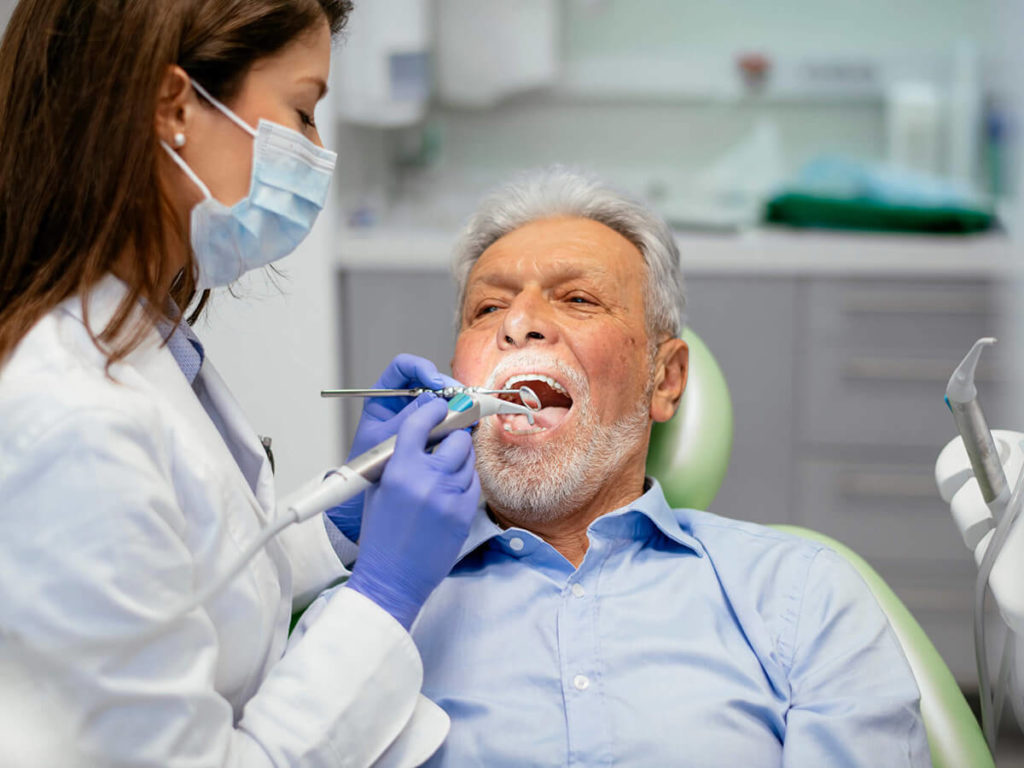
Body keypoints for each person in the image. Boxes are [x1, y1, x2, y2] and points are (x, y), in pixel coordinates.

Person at [0, 1, 480, 766]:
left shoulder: (146, 344)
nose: (316, 151)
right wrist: (382, 596)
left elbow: (184, 587)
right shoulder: (69, 420)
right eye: (302, 110)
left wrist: (337, 524)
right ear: (174, 106)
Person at [408, 168, 932, 766]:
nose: (517, 323)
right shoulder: (381, 610)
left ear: (665, 379)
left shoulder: (804, 595)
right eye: (488, 307)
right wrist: (371, 598)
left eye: (578, 298)